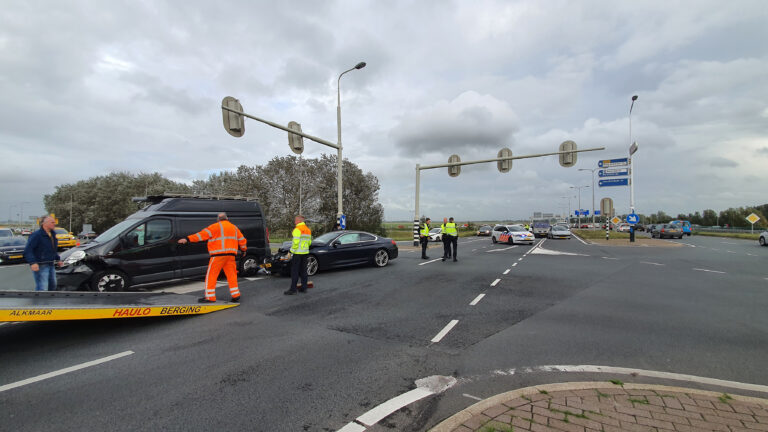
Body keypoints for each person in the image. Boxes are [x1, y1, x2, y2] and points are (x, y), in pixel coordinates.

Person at [178, 212, 246, 303]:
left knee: (211, 275)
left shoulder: (214, 227)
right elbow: (242, 240)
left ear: (218, 219)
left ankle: (210, 297)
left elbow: (201, 235)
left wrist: (187, 239)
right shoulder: (234, 228)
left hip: (217, 256)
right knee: (231, 275)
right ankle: (236, 295)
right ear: (227, 218)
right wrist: (243, 250)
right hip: (231, 256)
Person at [23, 215, 63, 291]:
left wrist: (58, 259)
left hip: (51, 264)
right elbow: (28, 250)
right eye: (52, 222)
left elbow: (52, 250)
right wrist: (33, 263)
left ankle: (49, 302)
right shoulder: (37, 235)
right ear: (44, 223)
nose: (54, 224)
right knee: (42, 288)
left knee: (53, 285)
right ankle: (40, 302)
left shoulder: (53, 235)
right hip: (41, 265)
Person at [285, 215, 312, 295]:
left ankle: (293, 290)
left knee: (295, 272)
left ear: (298, 221)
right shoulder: (308, 230)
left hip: (297, 253)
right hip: (305, 253)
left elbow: (295, 243)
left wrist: (290, 252)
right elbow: (309, 242)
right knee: (304, 271)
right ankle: (304, 288)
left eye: (295, 220)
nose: (294, 222)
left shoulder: (297, 229)